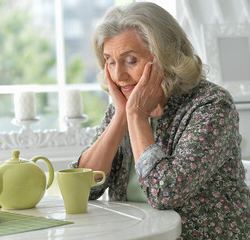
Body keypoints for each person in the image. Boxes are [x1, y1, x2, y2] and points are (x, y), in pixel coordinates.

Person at [70, 2, 250, 239]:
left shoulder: (211, 105)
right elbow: (83, 189)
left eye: (130, 60)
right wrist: (122, 116)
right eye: (110, 61)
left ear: (166, 57)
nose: (118, 76)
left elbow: (165, 193)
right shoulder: (122, 106)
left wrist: (136, 116)